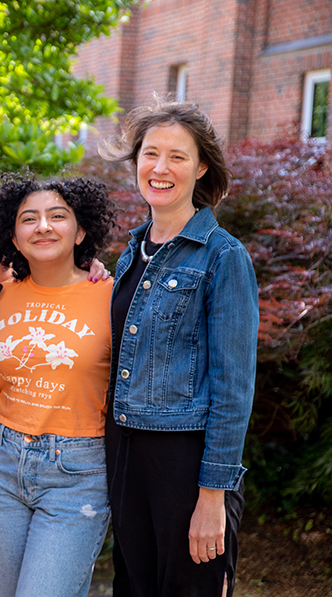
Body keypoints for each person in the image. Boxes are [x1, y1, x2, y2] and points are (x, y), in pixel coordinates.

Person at [100, 96, 259, 596]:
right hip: (124, 455)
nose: (160, 168)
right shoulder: (131, 251)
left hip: (184, 464)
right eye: (150, 153)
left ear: (201, 166)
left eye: (177, 156)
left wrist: (213, 496)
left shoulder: (223, 256)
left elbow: (234, 389)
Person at [0, 176, 115, 597]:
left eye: (58, 216)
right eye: (28, 219)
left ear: (81, 230)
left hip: (77, 472)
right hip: (0, 462)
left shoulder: (112, 295)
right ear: (14, 237)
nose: (43, 227)